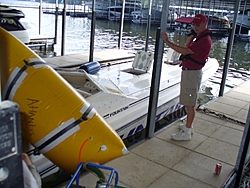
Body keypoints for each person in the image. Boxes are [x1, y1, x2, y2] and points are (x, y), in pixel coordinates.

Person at [160, 14, 212, 141]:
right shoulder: (198, 37)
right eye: (194, 24)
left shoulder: (204, 40)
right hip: (189, 72)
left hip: (192, 74)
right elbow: (188, 47)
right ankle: (189, 126)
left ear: (204, 24)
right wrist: (191, 35)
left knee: (190, 104)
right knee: (188, 102)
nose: (195, 27)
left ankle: (187, 132)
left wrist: (167, 41)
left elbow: (184, 51)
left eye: (198, 25)